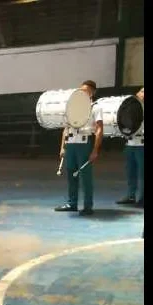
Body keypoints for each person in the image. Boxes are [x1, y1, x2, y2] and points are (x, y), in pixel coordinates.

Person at [56, 80, 103, 216]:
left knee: (85, 177)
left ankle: (88, 206)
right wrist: (62, 147)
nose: (82, 93)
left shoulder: (95, 107)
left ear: (92, 92)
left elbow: (99, 129)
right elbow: (66, 128)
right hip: (71, 143)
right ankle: (72, 203)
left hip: (84, 143)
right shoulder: (73, 107)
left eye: (86, 90)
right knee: (71, 175)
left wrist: (95, 150)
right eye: (81, 90)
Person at [116, 87, 144, 208]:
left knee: (142, 173)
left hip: (142, 145)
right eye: (142, 91)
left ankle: (142, 198)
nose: (142, 94)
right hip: (130, 144)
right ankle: (131, 195)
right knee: (130, 171)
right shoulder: (132, 107)